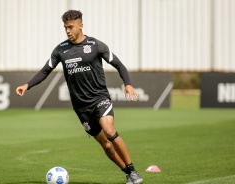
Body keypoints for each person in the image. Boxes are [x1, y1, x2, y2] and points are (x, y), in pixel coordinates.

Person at [16, 10, 143, 184]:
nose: (67, 31)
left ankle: (133, 171)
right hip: (81, 107)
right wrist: (27, 85)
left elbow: (119, 64)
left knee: (109, 130)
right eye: (65, 28)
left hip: (100, 98)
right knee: (105, 144)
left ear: (80, 25)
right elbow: (46, 70)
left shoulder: (96, 45)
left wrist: (127, 83)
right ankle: (127, 172)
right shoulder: (61, 50)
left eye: (70, 27)